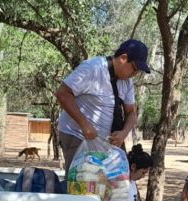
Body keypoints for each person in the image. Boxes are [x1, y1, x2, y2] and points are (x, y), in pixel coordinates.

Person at [55, 39, 151, 178]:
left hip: (103, 144)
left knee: (105, 186)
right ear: (123, 58)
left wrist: (124, 133)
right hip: (78, 136)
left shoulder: (127, 82)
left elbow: (131, 113)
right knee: (80, 184)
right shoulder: (93, 68)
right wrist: (84, 124)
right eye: (135, 69)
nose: (134, 74)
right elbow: (63, 93)